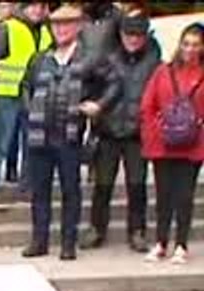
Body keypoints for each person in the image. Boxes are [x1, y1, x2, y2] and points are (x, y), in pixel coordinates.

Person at [21, 4, 117, 261]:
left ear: (78, 27)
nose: (61, 30)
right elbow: (25, 87)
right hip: (39, 135)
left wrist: (98, 105)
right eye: (56, 25)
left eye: (66, 24)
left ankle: (67, 243)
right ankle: (39, 240)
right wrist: (30, 111)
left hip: (70, 135)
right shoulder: (40, 59)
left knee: (70, 191)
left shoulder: (89, 58)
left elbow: (114, 83)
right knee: (39, 191)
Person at [86, 13, 159, 252]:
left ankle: (137, 231)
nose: (133, 40)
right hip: (108, 129)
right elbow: (91, 86)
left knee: (137, 185)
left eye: (138, 35)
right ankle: (97, 228)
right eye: (129, 35)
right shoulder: (106, 57)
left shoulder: (154, 61)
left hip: (138, 132)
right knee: (103, 185)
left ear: (145, 36)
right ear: (120, 34)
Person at [140, 23, 204, 264]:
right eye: (186, 43)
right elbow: (148, 105)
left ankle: (181, 244)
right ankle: (161, 242)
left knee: (185, 196)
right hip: (163, 143)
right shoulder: (163, 72)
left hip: (193, 144)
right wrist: (153, 131)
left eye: (196, 45)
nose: (189, 49)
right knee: (163, 195)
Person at [0, 2, 54, 194]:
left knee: (31, 141)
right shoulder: (8, 28)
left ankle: (27, 185)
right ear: (22, 8)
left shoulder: (47, 32)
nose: (37, 10)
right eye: (33, 6)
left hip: (36, 92)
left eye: (40, 7)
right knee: (0, 140)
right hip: (8, 91)